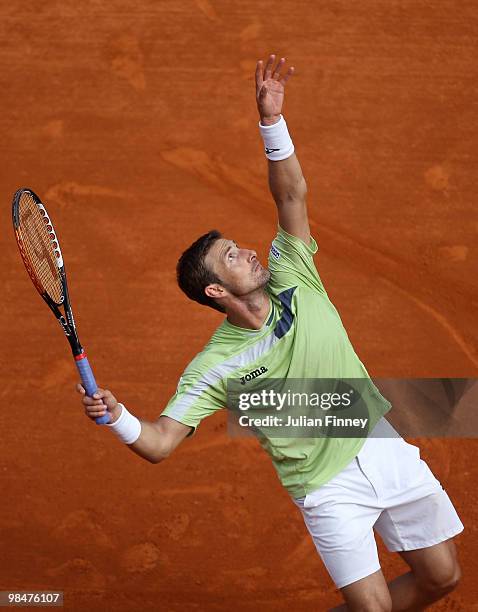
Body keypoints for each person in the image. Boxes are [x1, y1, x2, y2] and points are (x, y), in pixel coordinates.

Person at [77, 54, 464, 611]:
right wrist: (116, 417)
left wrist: (271, 121)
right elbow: (160, 442)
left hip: (382, 445)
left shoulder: (293, 274)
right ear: (215, 290)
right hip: (327, 491)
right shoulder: (214, 367)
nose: (249, 250)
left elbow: (291, 196)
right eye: (231, 256)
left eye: (239, 244)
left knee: (442, 579)